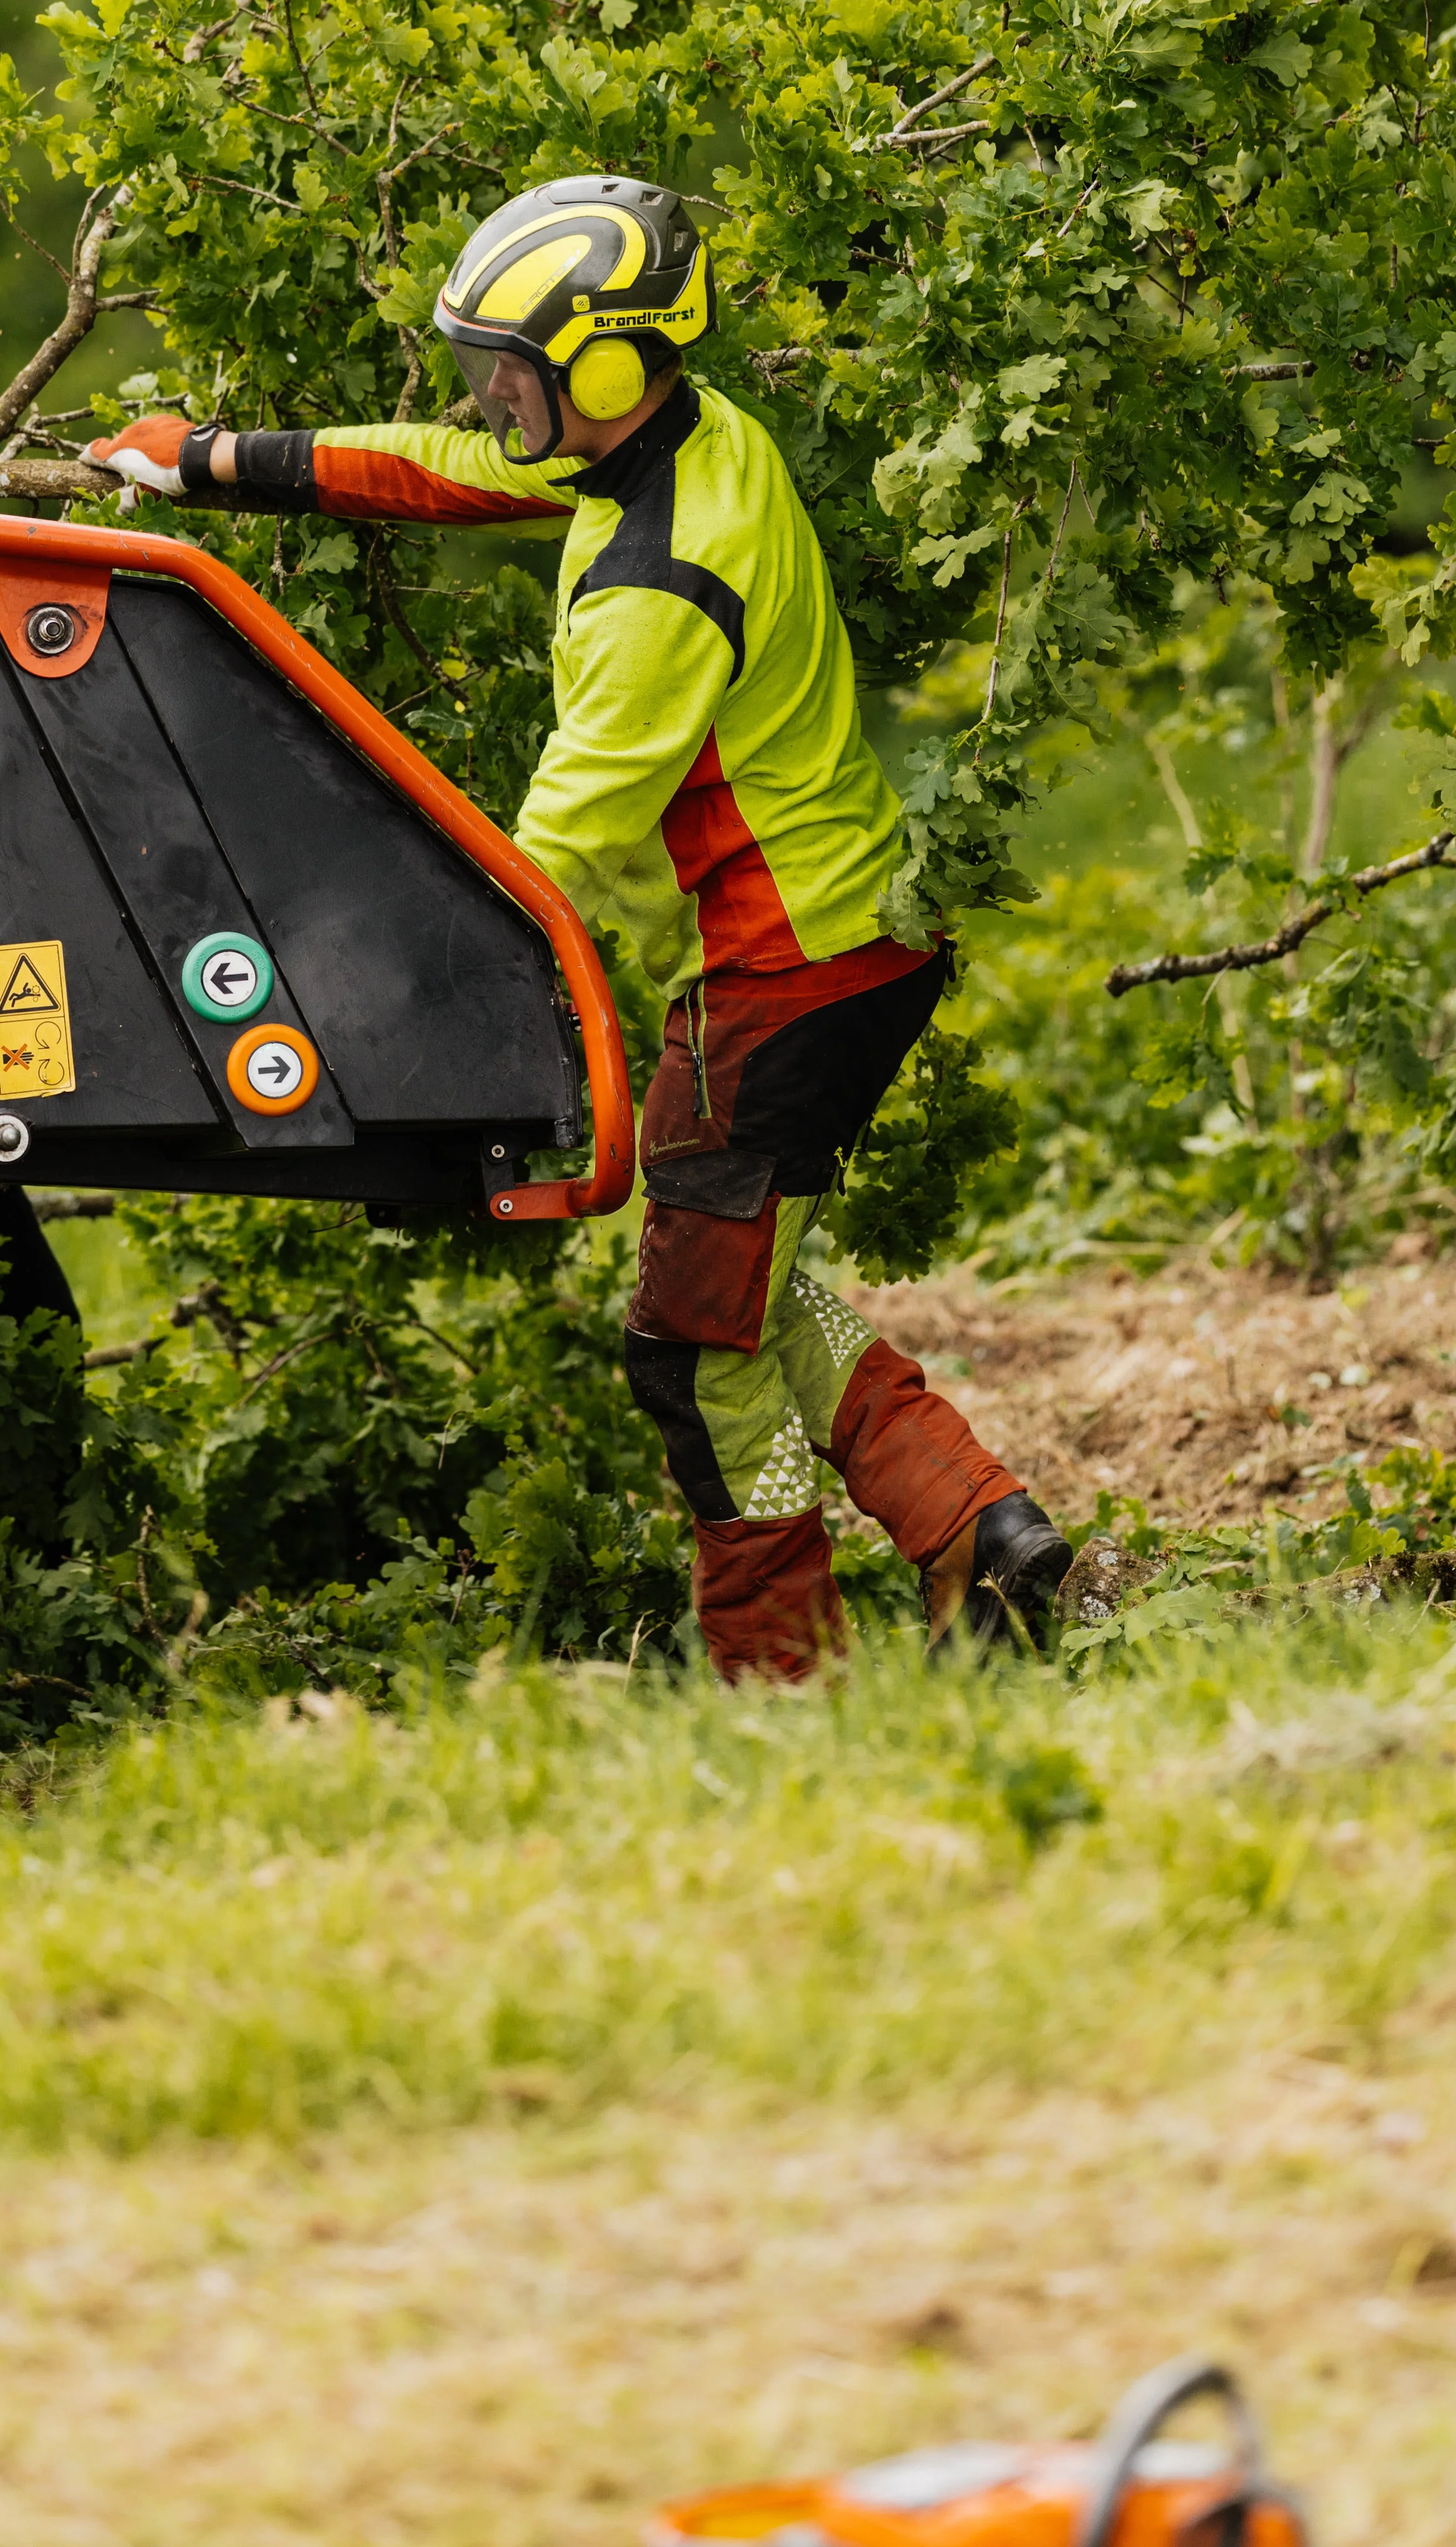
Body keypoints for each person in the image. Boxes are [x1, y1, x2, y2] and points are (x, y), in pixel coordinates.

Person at [90, 173, 1070, 1676]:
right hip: (827, 950)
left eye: (511, 371)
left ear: (604, 370)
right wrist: (218, 461)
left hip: (786, 974)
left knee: (691, 1350)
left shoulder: (653, 587)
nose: (487, 397)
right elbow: (451, 470)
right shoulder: (674, 443)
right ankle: (977, 1538)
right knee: (744, 1286)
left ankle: (782, 1675)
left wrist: (362, 975)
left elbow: (551, 854)